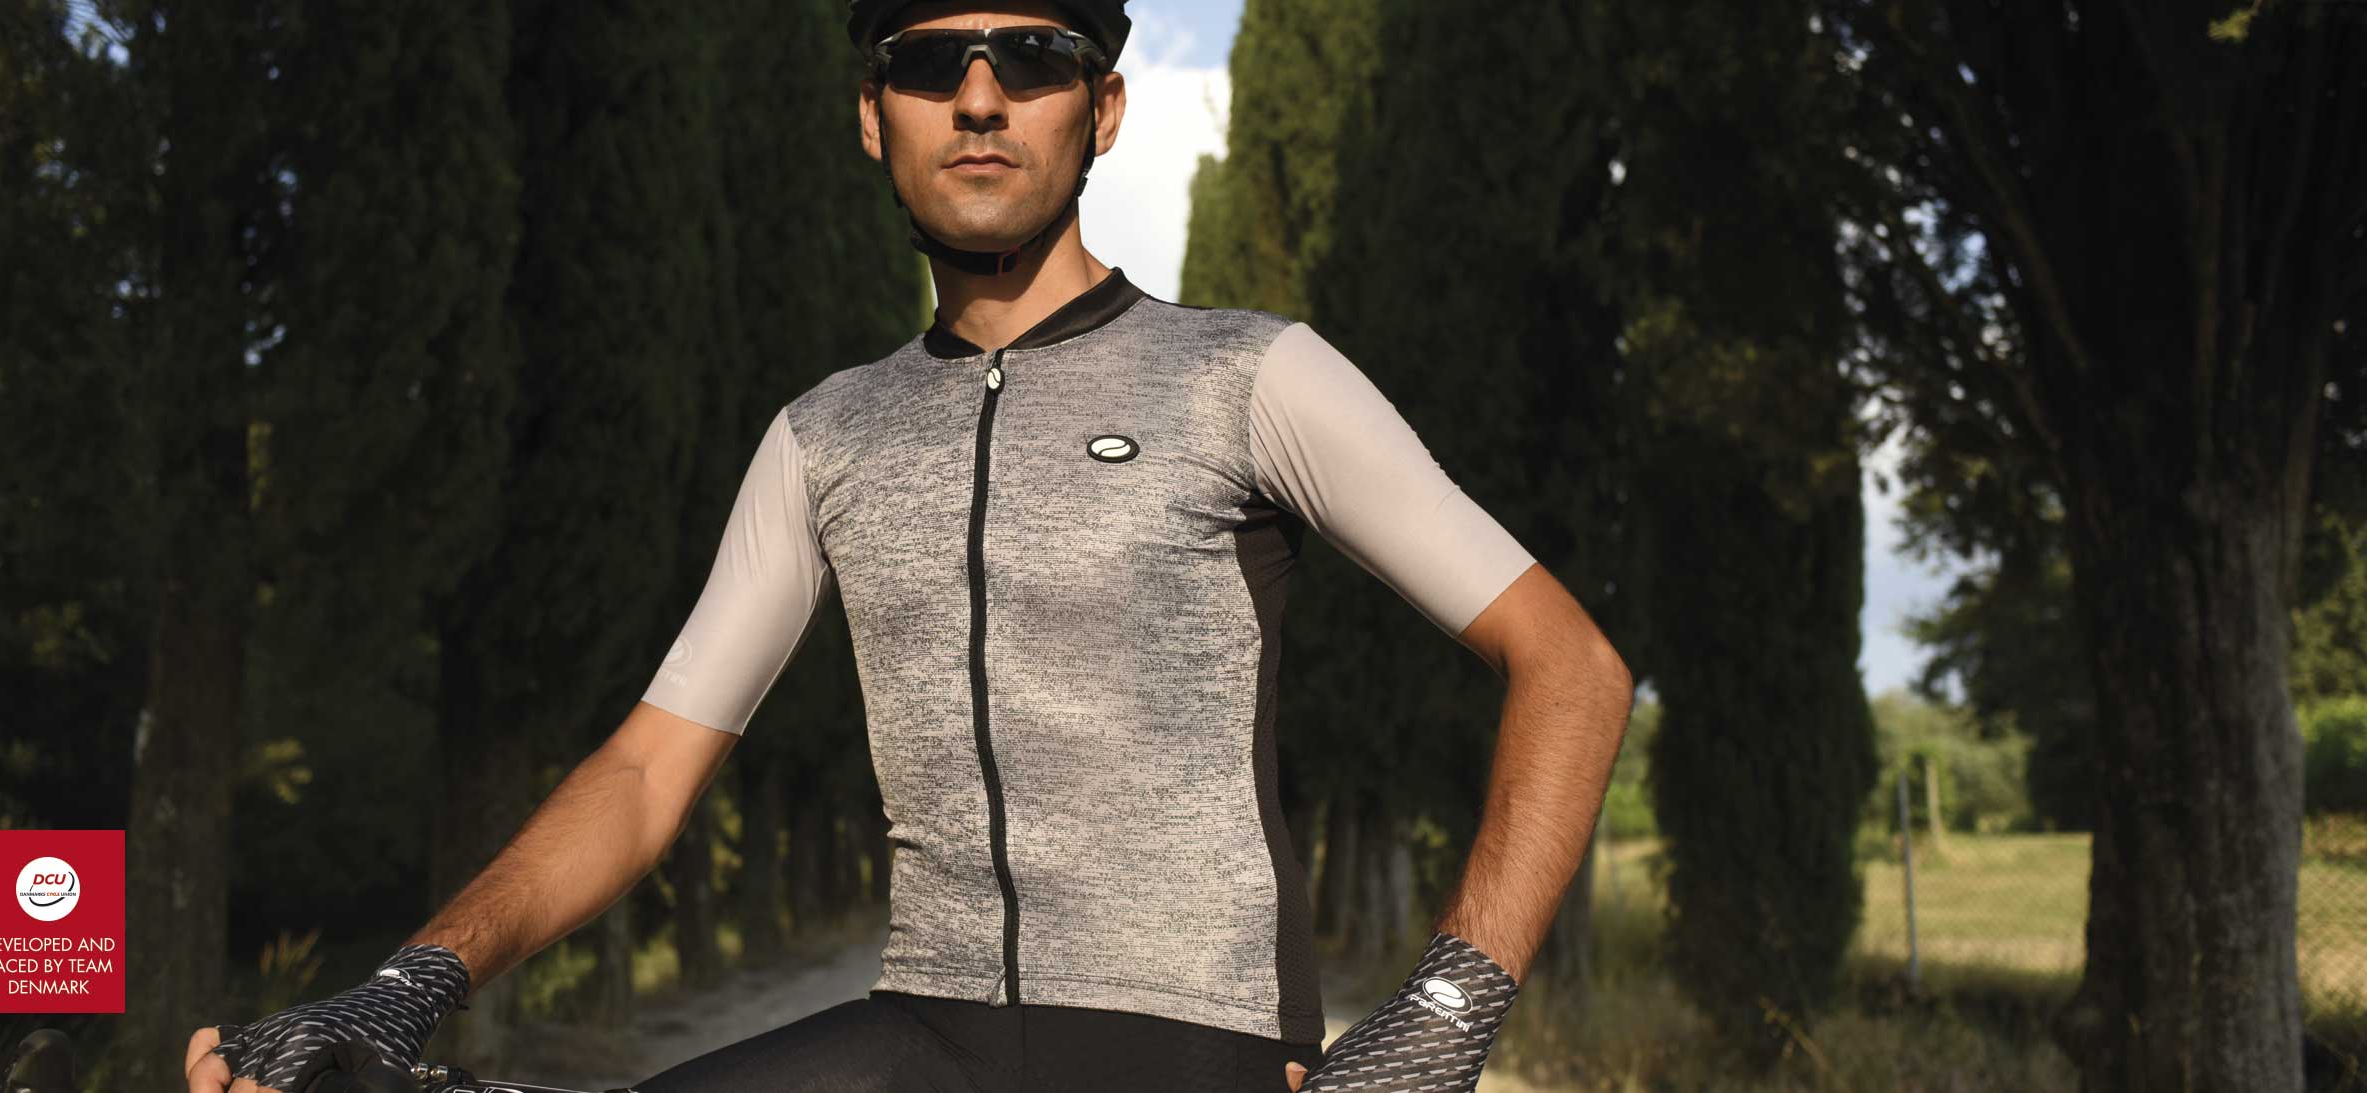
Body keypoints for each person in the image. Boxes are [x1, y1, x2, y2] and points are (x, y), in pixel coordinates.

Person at [186, 1, 1636, 1091]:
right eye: (934, 63)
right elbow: (641, 776)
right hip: (924, 1032)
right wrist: (403, 983)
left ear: (1103, 110)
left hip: (1192, 1040)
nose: (982, 97)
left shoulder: (1248, 375)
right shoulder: (824, 435)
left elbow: (1569, 667)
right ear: (875, 119)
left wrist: (1442, 1019)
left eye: (1033, 58)